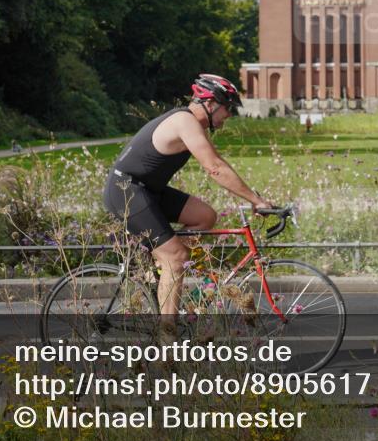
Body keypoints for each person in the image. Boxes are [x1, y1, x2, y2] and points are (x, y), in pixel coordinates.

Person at [103, 74, 273, 321]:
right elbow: (214, 167)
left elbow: (217, 163)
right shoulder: (185, 121)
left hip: (149, 190)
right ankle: (168, 344)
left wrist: (253, 197)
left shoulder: (190, 122)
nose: (230, 115)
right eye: (228, 108)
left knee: (205, 216)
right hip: (125, 190)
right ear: (211, 103)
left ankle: (163, 273)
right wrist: (256, 200)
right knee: (176, 257)